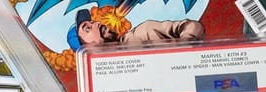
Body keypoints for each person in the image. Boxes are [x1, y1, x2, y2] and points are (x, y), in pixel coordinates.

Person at [69, 7, 204, 49]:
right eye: (87, 28)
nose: (96, 24)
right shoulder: (102, 81)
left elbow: (192, 26)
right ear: (85, 48)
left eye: (92, 22)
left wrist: (185, 43)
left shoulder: (144, 32)